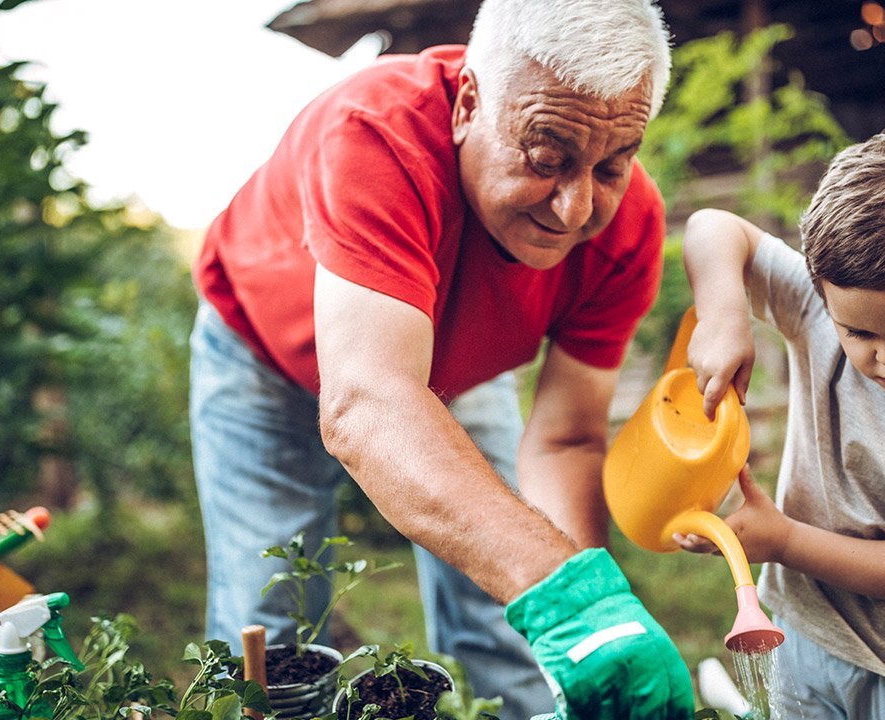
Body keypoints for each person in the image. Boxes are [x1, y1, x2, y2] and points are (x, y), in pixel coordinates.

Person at [189, 0, 694, 717]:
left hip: (444, 375)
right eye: (547, 159)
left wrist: (592, 613)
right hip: (262, 360)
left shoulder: (628, 227)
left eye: (612, 166)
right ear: (467, 104)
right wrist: (558, 589)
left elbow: (566, 438)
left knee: (515, 623)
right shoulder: (375, 134)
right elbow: (368, 404)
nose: (575, 209)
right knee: (274, 639)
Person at [678, 130, 885, 718]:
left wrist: (783, 540)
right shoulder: (816, 307)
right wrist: (724, 313)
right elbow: (712, 227)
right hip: (800, 633)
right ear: (820, 291)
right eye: (859, 333)